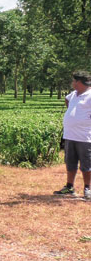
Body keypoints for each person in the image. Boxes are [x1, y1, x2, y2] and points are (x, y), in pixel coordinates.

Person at [54, 71, 91, 199]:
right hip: (70, 135)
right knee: (70, 162)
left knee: (86, 164)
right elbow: (67, 100)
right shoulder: (74, 94)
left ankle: (87, 188)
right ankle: (69, 187)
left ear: (79, 82)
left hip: (85, 137)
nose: (72, 83)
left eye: (74, 81)